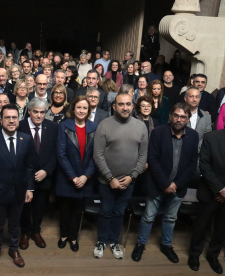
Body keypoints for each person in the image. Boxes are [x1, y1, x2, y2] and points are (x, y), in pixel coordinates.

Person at [132, 102, 198, 263]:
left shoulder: (193, 136)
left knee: (171, 218)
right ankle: (141, 244)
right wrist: (165, 184)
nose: (179, 119)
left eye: (183, 117)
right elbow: (152, 159)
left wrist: (176, 184)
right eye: (176, 115)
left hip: (178, 187)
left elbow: (192, 164)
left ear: (188, 119)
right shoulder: (158, 132)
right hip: (157, 184)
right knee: (148, 217)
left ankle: (166, 245)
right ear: (170, 116)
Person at [93, 93, 148, 259]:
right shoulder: (104, 125)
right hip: (106, 181)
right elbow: (98, 155)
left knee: (119, 213)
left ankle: (113, 241)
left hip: (129, 182)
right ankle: (101, 240)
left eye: (128, 104)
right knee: (105, 212)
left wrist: (132, 176)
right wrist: (110, 178)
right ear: (114, 106)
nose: (125, 107)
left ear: (132, 106)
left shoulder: (141, 126)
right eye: (121, 104)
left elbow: (143, 156)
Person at [0, 104, 35, 270]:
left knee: (14, 224)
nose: (11, 121)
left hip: (19, 192)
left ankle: (14, 250)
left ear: (18, 119)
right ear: (1, 119)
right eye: (7, 117)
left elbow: (29, 167)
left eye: (14, 117)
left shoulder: (26, 139)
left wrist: (30, 188)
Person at [56, 95, 97, 252]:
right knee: (65, 209)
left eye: (84, 108)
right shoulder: (64, 126)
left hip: (85, 177)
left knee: (78, 210)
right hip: (68, 177)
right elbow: (60, 154)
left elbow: (96, 155)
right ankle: (64, 235)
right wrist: (73, 176)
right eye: (78, 107)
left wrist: (85, 176)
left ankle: (73, 237)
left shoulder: (94, 127)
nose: (81, 110)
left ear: (88, 111)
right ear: (73, 109)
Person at [18, 98, 58, 250]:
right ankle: (25, 232)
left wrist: (46, 171)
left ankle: (36, 231)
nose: (39, 116)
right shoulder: (20, 126)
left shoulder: (53, 127)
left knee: (40, 206)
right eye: (36, 112)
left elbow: (56, 153)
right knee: (25, 206)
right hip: (24, 176)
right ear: (29, 111)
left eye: (42, 112)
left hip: (44, 176)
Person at [188, 124, 225, 274]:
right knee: (201, 226)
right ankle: (194, 254)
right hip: (209, 192)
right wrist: (221, 190)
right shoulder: (211, 137)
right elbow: (204, 165)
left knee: (221, 228)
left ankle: (213, 256)